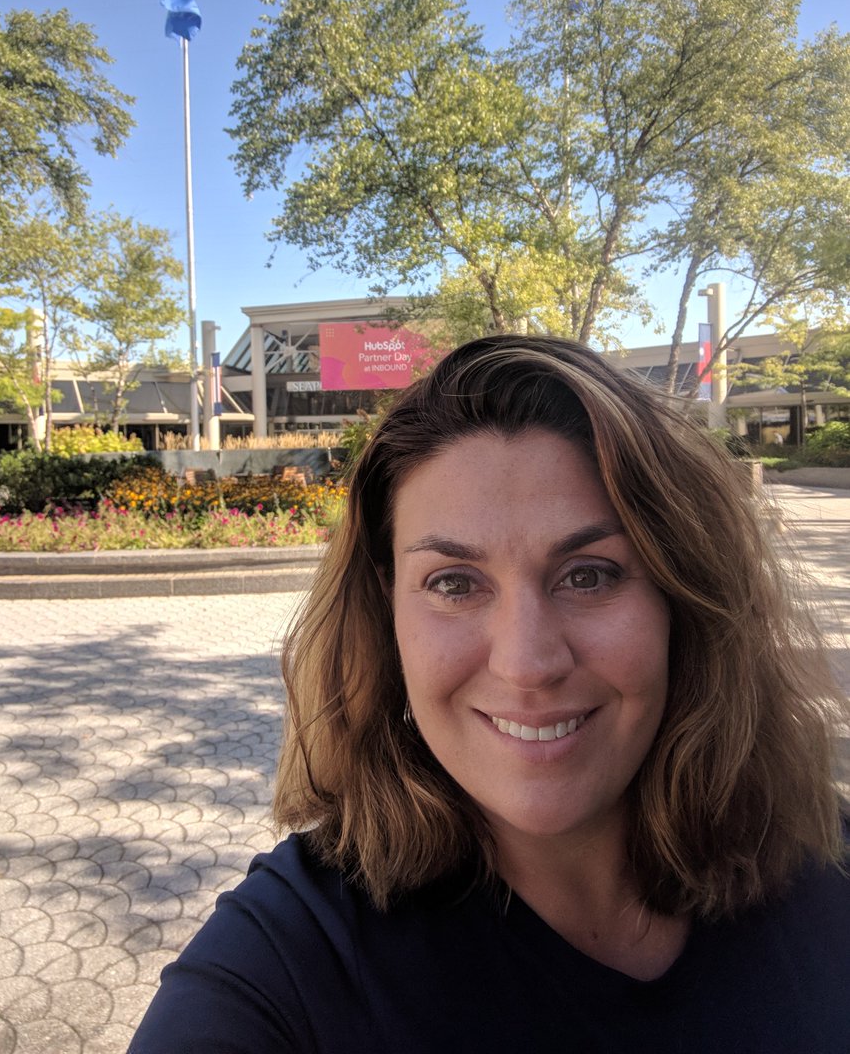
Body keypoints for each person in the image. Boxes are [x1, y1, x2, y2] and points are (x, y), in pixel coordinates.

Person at [129, 335, 849, 1053]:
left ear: (683, 597)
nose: (528, 663)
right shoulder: (285, 960)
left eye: (590, 574)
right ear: (389, 616)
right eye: (453, 584)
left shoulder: (824, 858)